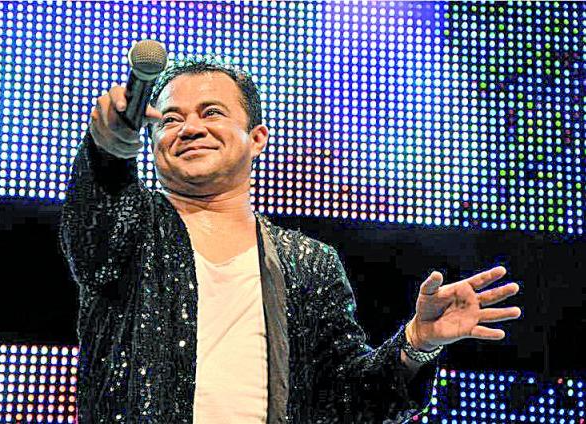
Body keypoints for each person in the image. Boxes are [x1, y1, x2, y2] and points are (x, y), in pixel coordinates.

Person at [59, 55, 522, 423]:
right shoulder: (132, 230)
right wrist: (108, 147)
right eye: (170, 119)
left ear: (257, 138)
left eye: (211, 112)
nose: (190, 128)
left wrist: (417, 341)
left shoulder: (308, 263)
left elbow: (349, 403)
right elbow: (95, 218)